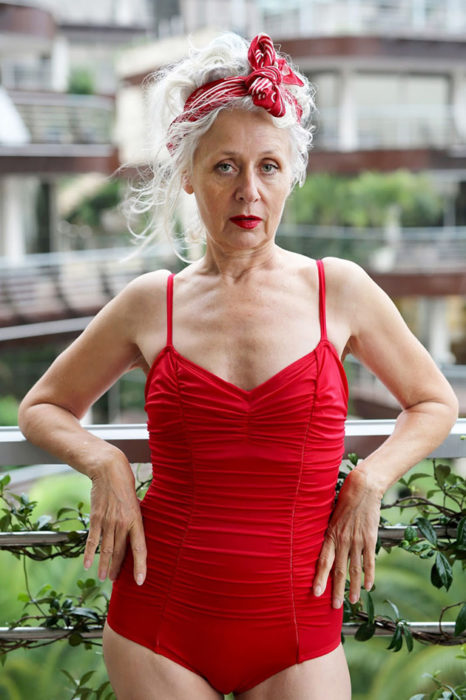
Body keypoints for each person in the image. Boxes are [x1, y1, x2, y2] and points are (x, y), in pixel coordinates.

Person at [18, 32, 458, 700]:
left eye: (268, 167)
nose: (247, 191)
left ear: (292, 176)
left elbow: (434, 401)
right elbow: (42, 407)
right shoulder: (149, 304)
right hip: (157, 621)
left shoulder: (339, 290)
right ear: (189, 175)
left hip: (298, 630)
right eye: (225, 166)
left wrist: (372, 478)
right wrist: (106, 461)